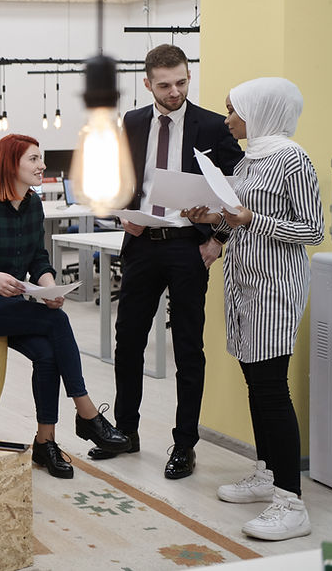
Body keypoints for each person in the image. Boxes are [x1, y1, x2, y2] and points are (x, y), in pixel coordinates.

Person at [94, 44, 244, 480]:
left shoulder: (214, 127)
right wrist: (123, 214)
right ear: (147, 84)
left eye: (181, 82)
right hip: (140, 243)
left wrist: (219, 238)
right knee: (128, 342)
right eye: (164, 85)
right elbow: (123, 181)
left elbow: (240, 192)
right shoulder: (133, 121)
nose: (174, 91)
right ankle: (125, 431)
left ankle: (184, 445)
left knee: (188, 349)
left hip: (188, 247)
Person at [183, 77, 322, 540]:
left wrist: (249, 218)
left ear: (260, 111)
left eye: (232, 111)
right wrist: (211, 219)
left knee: (270, 389)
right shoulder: (250, 157)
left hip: (275, 290)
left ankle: (291, 502)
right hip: (243, 285)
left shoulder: (291, 159)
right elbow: (235, 212)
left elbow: (311, 230)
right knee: (256, 385)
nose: (227, 120)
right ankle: (267, 473)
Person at [0, 134, 129, 479]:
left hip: (8, 304)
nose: (42, 165)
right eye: (33, 159)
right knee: (56, 323)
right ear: (11, 164)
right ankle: (87, 412)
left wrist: (48, 287)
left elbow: (38, 258)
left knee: (46, 353)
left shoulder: (32, 205)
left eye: (40, 158)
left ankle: (45, 442)